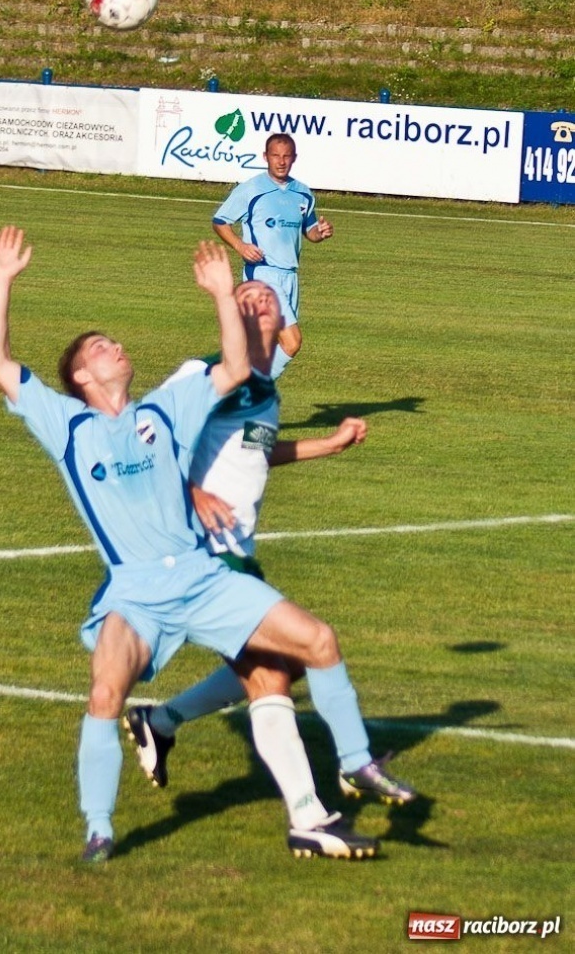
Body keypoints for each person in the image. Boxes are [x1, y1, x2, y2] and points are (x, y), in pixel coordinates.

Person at [0, 227, 381, 865]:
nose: (115, 346)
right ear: (82, 375)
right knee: (105, 691)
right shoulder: (67, 424)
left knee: (308, 646)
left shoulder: (165, 409)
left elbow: (233, 367)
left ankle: (345, 769)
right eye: (99, 347)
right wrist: (2, 280)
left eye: (113, 340)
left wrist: (223, 293)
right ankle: (100, 829)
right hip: (135, 594)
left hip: (204, 577)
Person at [125, 282, 416, 835]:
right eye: (245, 294)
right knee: (314, 642)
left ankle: (163, 723)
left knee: (275, 672)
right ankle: (353, 765)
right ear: (229, 314)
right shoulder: (203, 372)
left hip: (236, 555)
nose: (258, 298)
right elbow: (141, 444)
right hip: (198, 555)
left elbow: (255, 455)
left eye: (267, 295)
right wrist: (190, 495)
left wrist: (326, 445)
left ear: (284, 317)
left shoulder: (264, 391)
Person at [212, 132, 333, 379]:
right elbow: (220, 221)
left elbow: (309, 231)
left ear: (294, 158)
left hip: (290, 275)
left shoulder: (303, 193)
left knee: (266, 347)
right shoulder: (251, 189)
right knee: (292, 342)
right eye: (275, 156)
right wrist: (240, 246)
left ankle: (231, 394)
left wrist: (320, 232)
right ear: (265, 157)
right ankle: (251, 393)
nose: (281, 161)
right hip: (262, 274)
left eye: (286, 156)